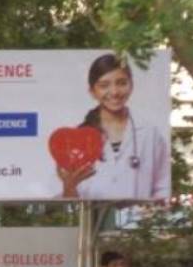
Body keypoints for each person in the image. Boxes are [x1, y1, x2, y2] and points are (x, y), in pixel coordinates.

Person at [58, 54, 170, 200]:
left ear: (131, 85)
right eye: (104, 85)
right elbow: (65, 203)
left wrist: (149, 217)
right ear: (92, 91)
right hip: (92, 221)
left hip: (136, 221)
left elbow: (162, 187)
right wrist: (69, 187)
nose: (115, 92)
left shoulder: (150, 133)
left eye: (122, 83)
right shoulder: (75, 138)